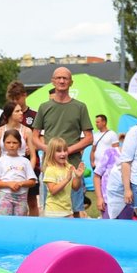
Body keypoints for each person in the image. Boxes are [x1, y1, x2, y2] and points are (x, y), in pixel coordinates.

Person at [32, 67, 93, 217]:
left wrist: (68, 151)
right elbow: (34, 137)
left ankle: (75, 240)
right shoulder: (44, 107)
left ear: (71, 82)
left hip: (72, 165)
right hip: (51, 167)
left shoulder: (80, 107)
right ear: (52, 81)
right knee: (51, 207)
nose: (61, 81)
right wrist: (49, 150)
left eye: (65, 78)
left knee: (76, 208)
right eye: (58, 78)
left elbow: (89, 137)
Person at [1, 80, 40, 215]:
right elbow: (2, 138)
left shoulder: (34, 115)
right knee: (9, 200)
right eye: (12, 99)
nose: (15, 101)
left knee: (32, 200)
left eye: (17, 98)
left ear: (25, 95)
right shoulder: (5, 115)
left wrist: (32, 146)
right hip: (9, 166)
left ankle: (34, 228)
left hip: (30, 162)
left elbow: (40, 138)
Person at [0, 128, 36, 216]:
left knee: (20, 223)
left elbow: (32, 181)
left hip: (21, 197)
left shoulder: (25, 161)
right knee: (5, 222)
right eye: (8, 142)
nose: (11, 145)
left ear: (20, 144)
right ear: (3, 144)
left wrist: (21, 184)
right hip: (5, 196)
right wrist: (9, 184)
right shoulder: (0, 161)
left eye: (15, 142)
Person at [41, 137, 85, 218]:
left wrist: (78, 177)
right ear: (51, 153)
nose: (63, 153)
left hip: (67, 211)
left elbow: (75, 187)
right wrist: (66, 180)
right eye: (59, 151)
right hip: (53, 212)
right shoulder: (50, 169)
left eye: (65, 150)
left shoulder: (69, 167)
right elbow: (53, 190)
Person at [93, 132, 123, 219]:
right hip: (108, 201)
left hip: (127, 202)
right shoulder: (111, 153)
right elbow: (97, 176)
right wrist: (99, 198)